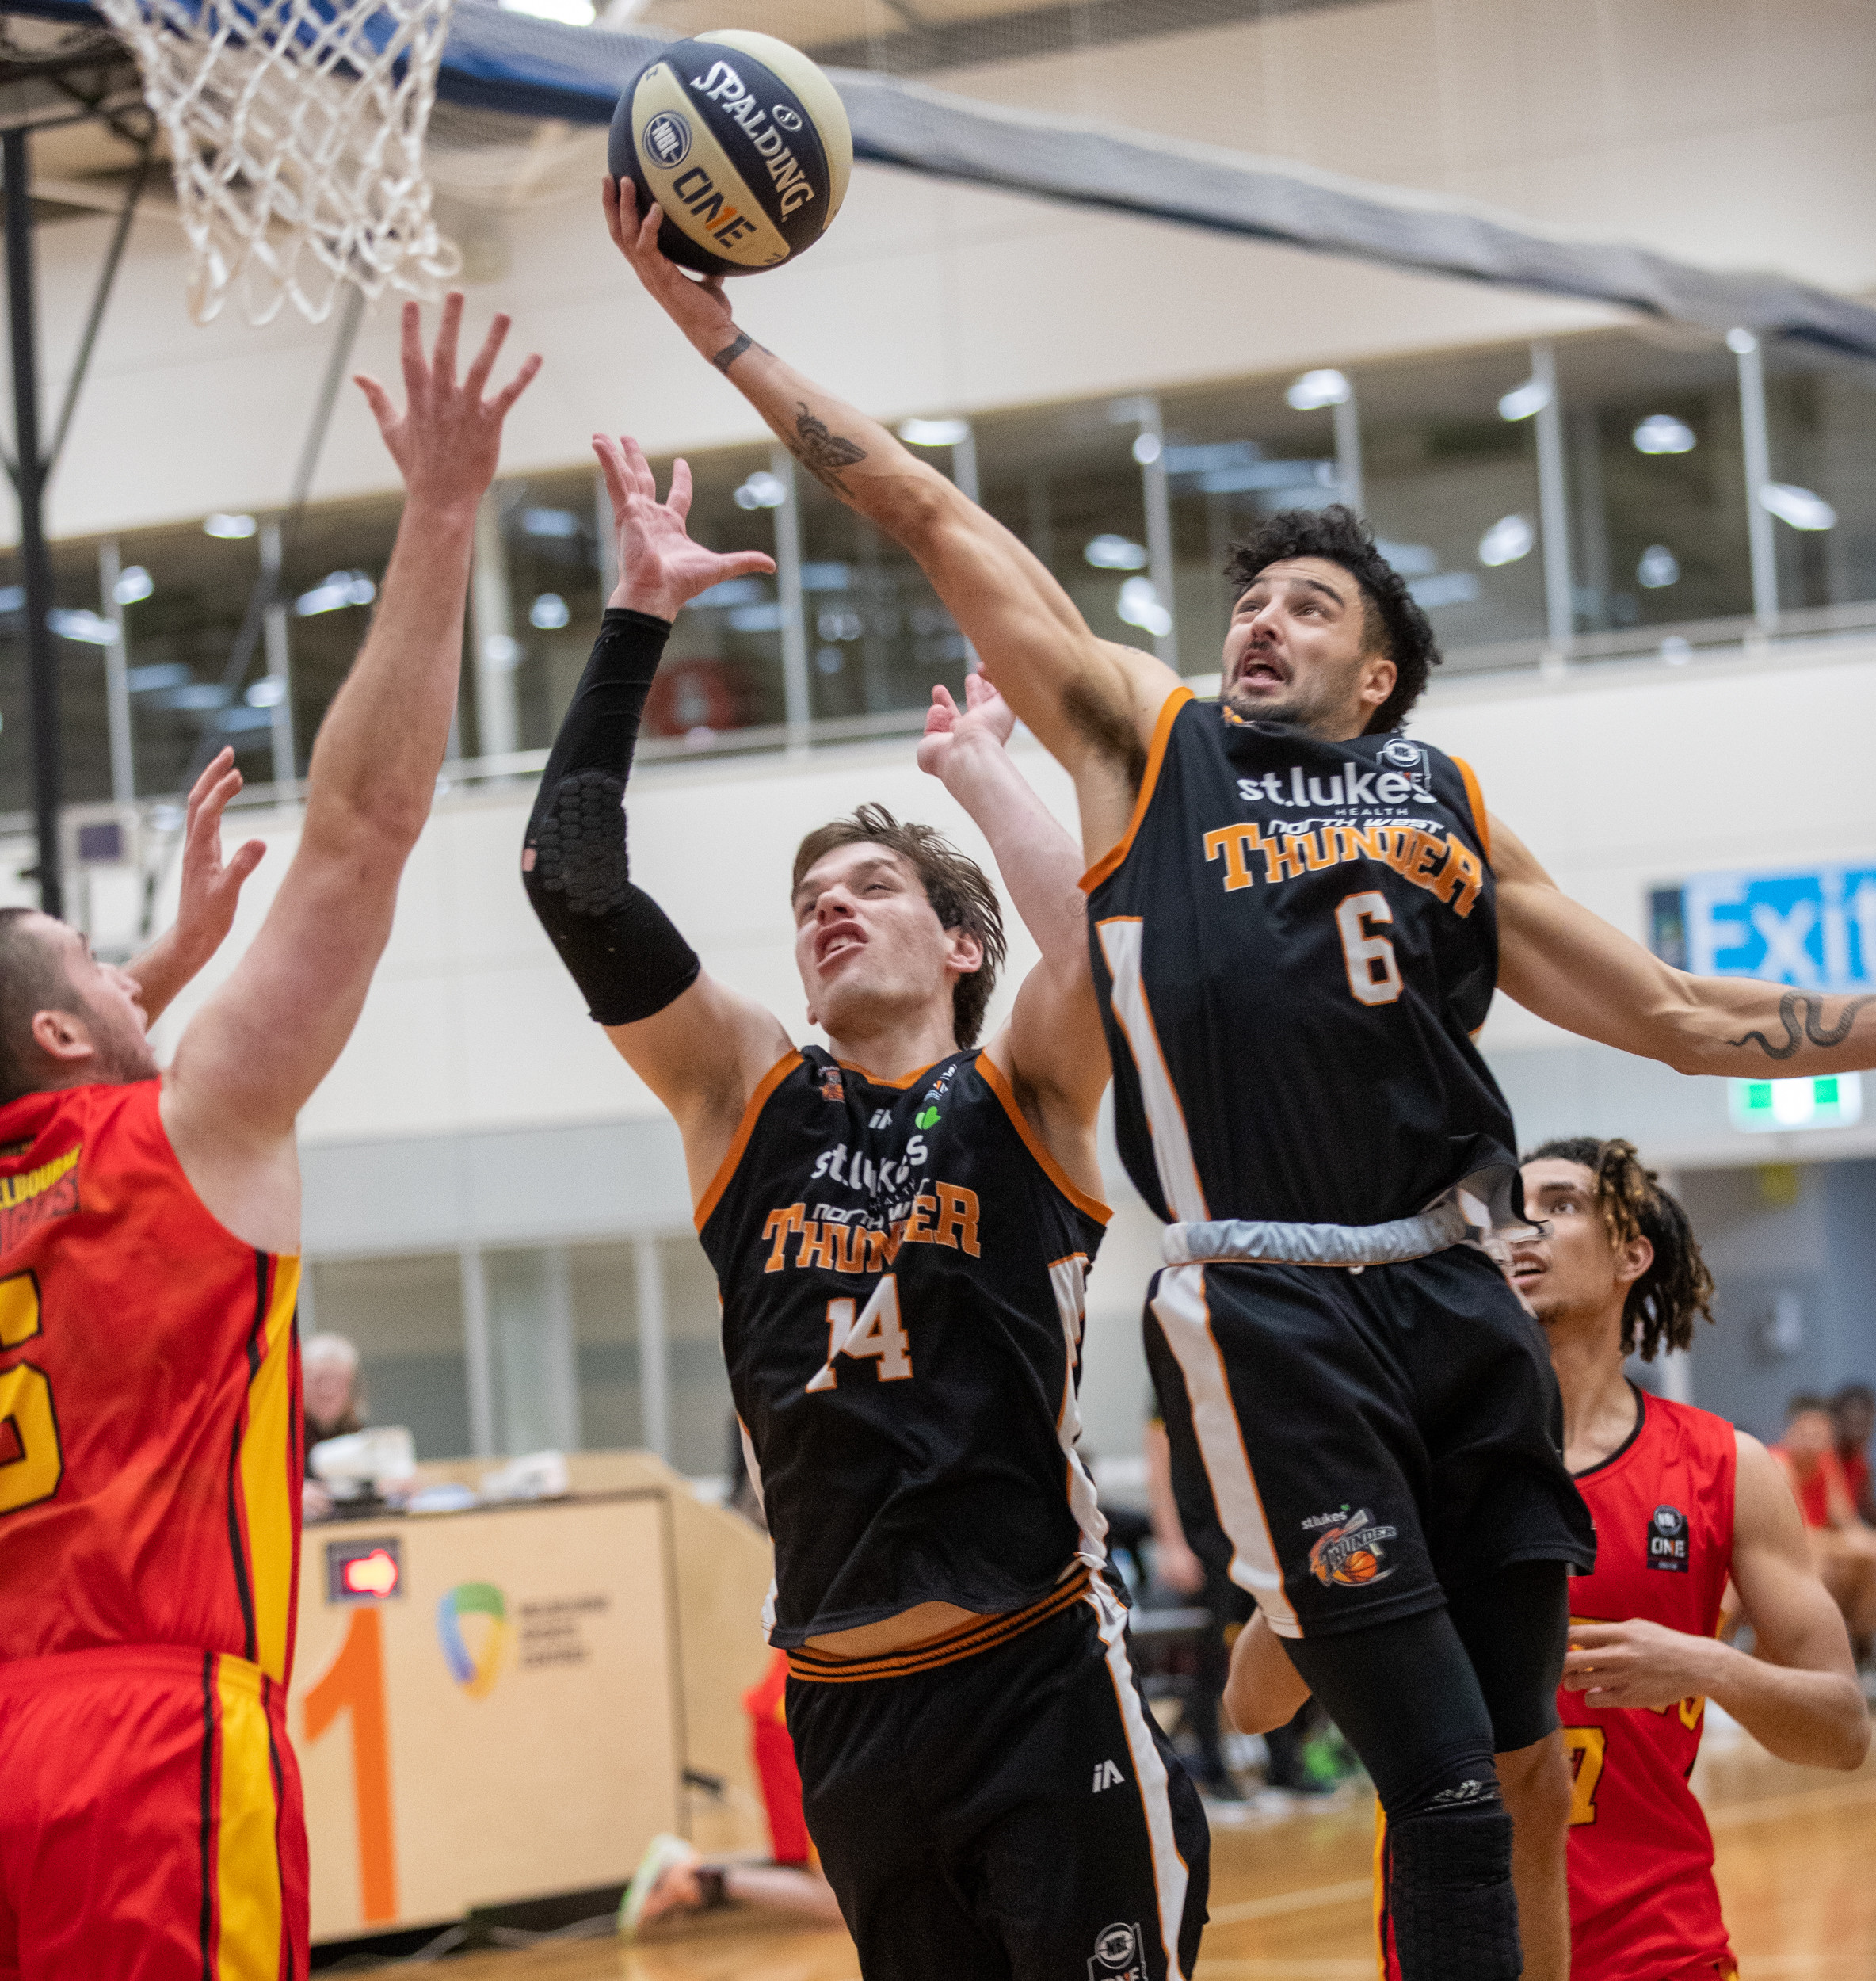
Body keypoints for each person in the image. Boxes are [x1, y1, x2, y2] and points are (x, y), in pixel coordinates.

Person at [605, 176, 1876, 1981]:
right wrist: (727, 338)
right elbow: (932, 513)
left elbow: (1676, 1011)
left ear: (1378, 671)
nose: (1259, 623)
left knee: (1522, 1772)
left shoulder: (1443, 803)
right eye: (1249, 600)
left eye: (1307, 605)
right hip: (1276, 1305)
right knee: (1443, 1792)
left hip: (1455, 1284)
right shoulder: (1156, 743)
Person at [519, 437, 1207, 1981]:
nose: (828, 904)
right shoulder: (743, 1094)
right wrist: (635, 616)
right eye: (808, 898)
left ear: (962, 946)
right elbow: (569, 876)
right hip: (844, 1702)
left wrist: (982, 775)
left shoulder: (1021, 1094)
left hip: (1037, 1670)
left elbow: (1110, 947)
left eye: (871, 886)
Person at [0, 297, 538, 1981]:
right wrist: (439, 512)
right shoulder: (194, 1127)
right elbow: (364, 826)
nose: (133, 964)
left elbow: (42, 1092)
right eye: (100, 960)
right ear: (64, 1034)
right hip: (148, 1743)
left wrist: (141, 981)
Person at [1226, 1136, 1870, 1981]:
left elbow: (1842, 1731)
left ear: (1632, 1253)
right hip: (1459, 1947)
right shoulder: (1407, 1464)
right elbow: (1253, 1704)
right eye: (1503, 1212)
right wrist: (1365, 1515)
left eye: (1559, 1205)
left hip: (1662, 1950)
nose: (1520, 1228)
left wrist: (1704, 1664)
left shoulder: (1727, 1467)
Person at [622, 1649, 845, 1934]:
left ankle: (696, 1880)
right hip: (802, 1717)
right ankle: (693, 1877)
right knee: (838, 1895)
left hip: (807, 1710)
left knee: (837, 1891)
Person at [1771, 1395, 1876, 1651]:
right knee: (1819, 1565)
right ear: (1790, 1433)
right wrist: (1852, 1544)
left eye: (1819, 1434)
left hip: (1818, 1543)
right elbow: (1799, 1533)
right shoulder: (1779, 1463)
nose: (1812, 1441)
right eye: (1804, 1433)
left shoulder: (1826, 1462)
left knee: (1871, 1554)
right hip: (1784, 1547)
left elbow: (1847, 1520)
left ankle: (1861, 1640)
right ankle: (1810, 1645)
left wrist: (1864, 1542)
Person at [302, 1331, 365, 1521]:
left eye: (338, 1381)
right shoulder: (281, 1435)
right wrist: (288, 1495)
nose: (327, 1391)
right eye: (318, 1380)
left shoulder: (360, 1435)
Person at [1832, 1382, 1876, 1525]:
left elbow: (1866, 1509)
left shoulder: (1859, 1462)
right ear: (1835, 1420)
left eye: (1863, 1424)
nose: (1858, 1433)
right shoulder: (1823, 1459)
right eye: (1851, 1424)